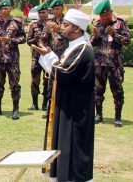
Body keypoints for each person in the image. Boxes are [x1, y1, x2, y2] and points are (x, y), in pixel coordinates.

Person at [32, 9, 95, 182]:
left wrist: (49, 56)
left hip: (75, 110)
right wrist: (49, 55)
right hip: (67, 105)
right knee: (63, 146)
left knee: (74, 148)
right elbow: (61, 67)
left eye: (66, 25)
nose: (62, 27)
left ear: (76, 28)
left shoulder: (83, 49)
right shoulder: (74, 47)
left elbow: (64, 73)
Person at [91, 0, 131, 127]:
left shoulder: (120, 23)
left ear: (110, 12)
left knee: (117, 90)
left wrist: (114, 34)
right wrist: (95, 37)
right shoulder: (98, 24)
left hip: (114, 64)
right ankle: (99, 114)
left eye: (105, 15)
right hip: (99, 63)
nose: (102, 18)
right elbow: (92, 44)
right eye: (101, 16)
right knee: (97, 90)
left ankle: (117, 117)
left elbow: (127, 41)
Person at [0, 0, 26, 120]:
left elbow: (23, 38)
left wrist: (11, 40)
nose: (4, 10)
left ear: (11, 9)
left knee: (14, 84)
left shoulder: (17, 22)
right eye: (2, 9)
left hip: (12, 59)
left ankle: (15, 109)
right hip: (0, 59)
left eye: (6, 8)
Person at [41, 0, 69, 118]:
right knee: (50, 84)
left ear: (63, 8)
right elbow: (43, 39)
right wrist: (47, 31)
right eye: (54, 9)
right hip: (53, 57)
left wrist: (59, 30)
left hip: (66, 57)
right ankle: (49, 109)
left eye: (58, 8)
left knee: (65, 84)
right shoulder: (50, 21)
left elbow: (72, 36)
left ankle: (64, 110)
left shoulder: (68, 21)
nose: (56, 11)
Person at [27, 1, 49, 110]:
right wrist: (34, 40)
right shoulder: (34, 25)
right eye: (39, 13)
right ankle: (34, 103)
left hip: (48, 57)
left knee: (47, 81)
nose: (41, 15)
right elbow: (28, 41)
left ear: (47, 12)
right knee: (35, 80)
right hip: (36, 56)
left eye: (43, 12)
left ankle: (45, 103)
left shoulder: (51, 24)